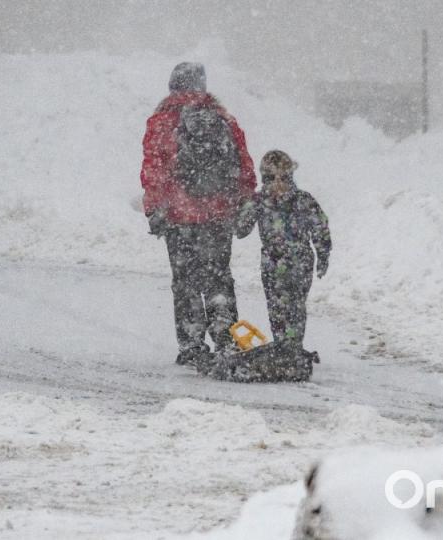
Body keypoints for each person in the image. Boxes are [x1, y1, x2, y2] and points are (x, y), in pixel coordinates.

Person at [140, 62, 256, 365]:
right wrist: (243, 202)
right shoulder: (224, 119)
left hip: (179, 216)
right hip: (217, 215)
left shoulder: (162, 121)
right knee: (219, 278)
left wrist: (155, 207)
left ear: (172, 86)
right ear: (202, 87)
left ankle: (192, 344)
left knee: (185, 280)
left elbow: (155, 170)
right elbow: (243, 164)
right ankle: (225, 337)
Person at [236, 150, 331, 350]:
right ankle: (282, 344)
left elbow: (320, 226)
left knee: (295, 304)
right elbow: (241, 229)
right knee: (276, 305)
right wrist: (241, 206)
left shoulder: (303, 200)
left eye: (283, 177)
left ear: (291, 176)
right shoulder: (259, 201)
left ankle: (293, 344)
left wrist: (323, 254)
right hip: (272, 260)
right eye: (271, 178)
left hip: (300, 261)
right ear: (264, 179)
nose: (278, 184)